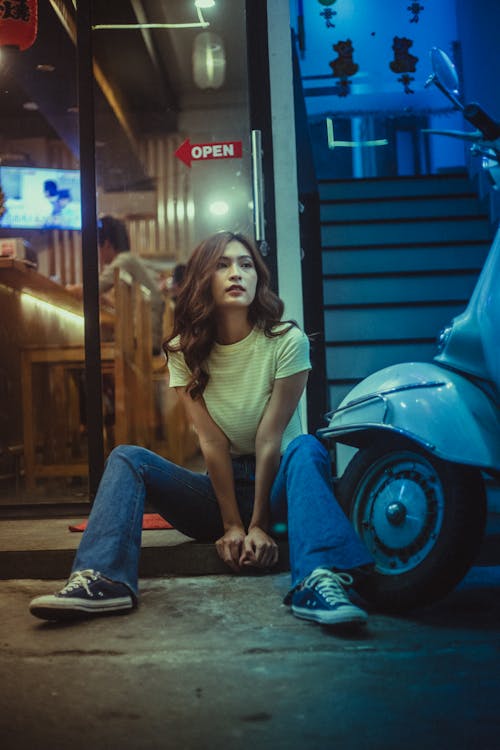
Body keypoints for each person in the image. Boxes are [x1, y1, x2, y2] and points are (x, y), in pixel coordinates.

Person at [29, 231, 373, 628]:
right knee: (127, 457)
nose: (236, 273)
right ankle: (104, 579)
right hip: (218, 492)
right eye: (223, 265)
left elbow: (269, 438)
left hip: (279, 488)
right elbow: (211, 442)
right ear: (203, 279)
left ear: (258, 278)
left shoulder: (286, 341)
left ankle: (320, 579)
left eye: (246, 265)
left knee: (307, 447)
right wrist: (230, 524)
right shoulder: (182, 350)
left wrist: (258, 525)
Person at [67, 216, 165, 354]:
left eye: (98, 248)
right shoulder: (130, 259)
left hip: (144, 339)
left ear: (107, 244)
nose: (99, 254)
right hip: (149, 338)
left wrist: (69, 289)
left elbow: (93, 289)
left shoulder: (123, 260)